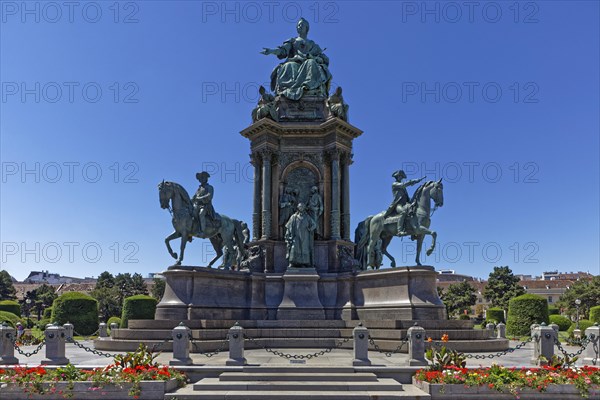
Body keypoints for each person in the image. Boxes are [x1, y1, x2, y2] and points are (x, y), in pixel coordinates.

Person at [261, 18, 332, 101]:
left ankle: (307, 86)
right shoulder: (293, 41)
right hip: (294, 62)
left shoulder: (313, 45)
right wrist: (271, 51)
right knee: (288, 66)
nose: (299, 26)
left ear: (307, 28)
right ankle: (289, 90)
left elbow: (324, 58)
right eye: (298, 25)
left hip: (308, 62)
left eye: (301, 25)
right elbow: (282, 50)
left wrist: (314, 58)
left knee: (311, 63)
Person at [384, 170, 426, 235]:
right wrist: (413, 181)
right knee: (403, 212)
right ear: (397, 177)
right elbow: (403, 185)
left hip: (405, 204)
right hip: (398, 205)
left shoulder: (402, 187)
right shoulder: (395, 184)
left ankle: (414, 231)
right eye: (400, 176)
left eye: (402, 177)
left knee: (413, 212)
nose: (401, 178)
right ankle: (399, 230)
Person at [285, 203, 316, 268]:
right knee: (294, 248)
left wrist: (310, 229)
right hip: (296, 235)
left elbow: (314, 225)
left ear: (304, 208)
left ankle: (304, 263)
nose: (301, 208)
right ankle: (292, 262)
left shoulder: (307, 217)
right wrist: (288, 233)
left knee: (304, 249)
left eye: (302, 206)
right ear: (298, 208)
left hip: (305, 236)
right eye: (300, 207)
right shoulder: (294, 217)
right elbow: (288, 225)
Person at [192, 171, 220, 237]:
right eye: (200, 179)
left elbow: (209, 196)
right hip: (197, 205)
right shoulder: (199, 188)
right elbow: (195, 197)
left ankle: (202, 231)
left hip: (206, 206)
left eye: (202, 178)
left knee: (201, 214)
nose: (201, 180)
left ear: (206, 179)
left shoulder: (210, 187)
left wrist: (200, 198)